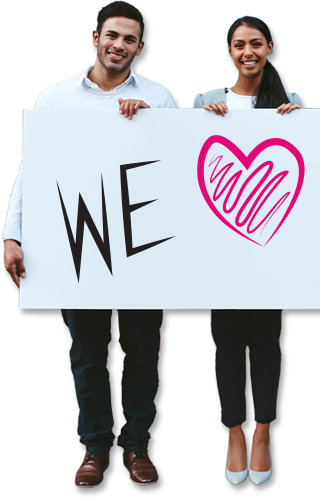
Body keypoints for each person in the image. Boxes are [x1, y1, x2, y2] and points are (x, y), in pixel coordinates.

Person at [3, 1, 178, 489]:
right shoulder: (56, 100)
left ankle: (138, 447)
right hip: (77, 246)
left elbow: (177, 172)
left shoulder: (160, 99)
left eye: (130, 40)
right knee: (87, 354)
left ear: (141, 49)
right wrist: (12, 234)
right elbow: (33, 170)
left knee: (144, 352)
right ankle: (95, 448)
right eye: (112, 35)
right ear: (95, 37)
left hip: (142, 247)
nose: (119, 45)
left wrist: (153, 127)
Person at [191, 16, 302, 486]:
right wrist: (200, 121)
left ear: (270, 46)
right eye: (239, 45)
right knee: (227, 346)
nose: (248, 51)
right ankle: (234, 431)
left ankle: (262, 432)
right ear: (229, 52)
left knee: (269, 345)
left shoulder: (293, 103)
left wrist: (302, 124)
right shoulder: (207, 104)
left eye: (256, 43)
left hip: (271, 249)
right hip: (220, 252)